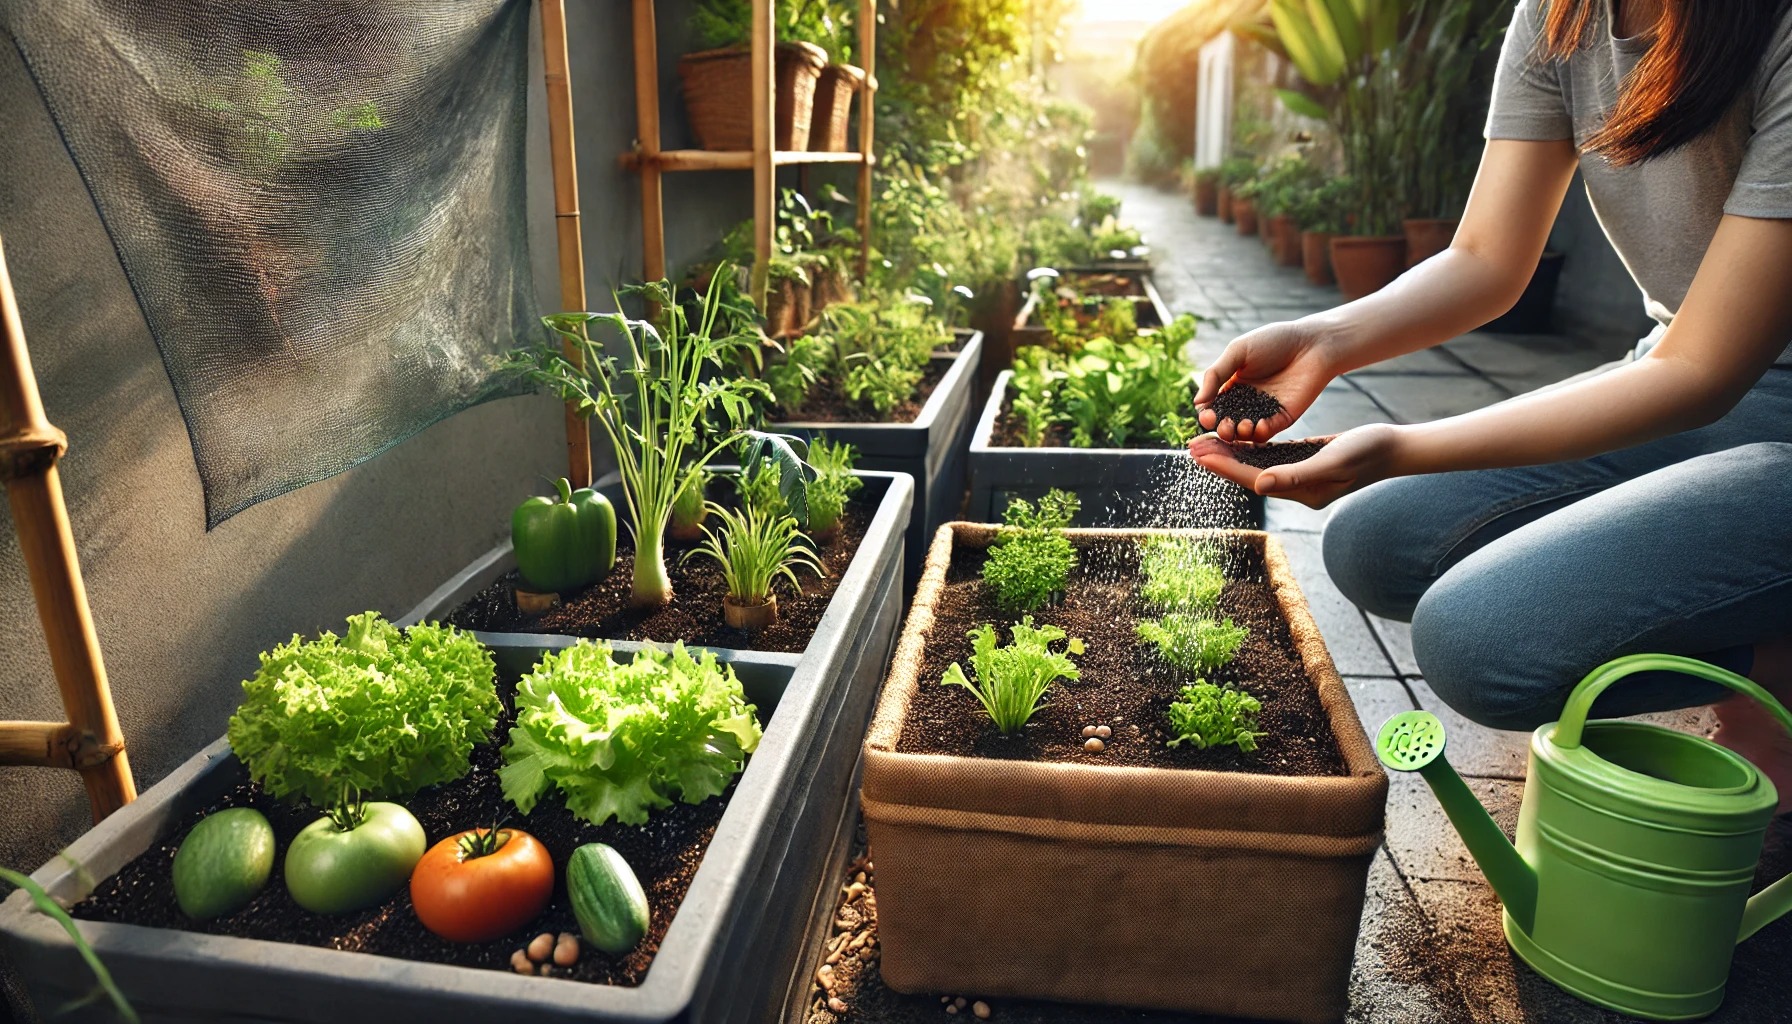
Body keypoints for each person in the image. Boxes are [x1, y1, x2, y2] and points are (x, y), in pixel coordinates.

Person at [1187, 0, 1792, 804]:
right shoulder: (1563, 14)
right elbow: (1484, 257)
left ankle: (1775, 671)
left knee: (1479, 645)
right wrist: (1324, 340)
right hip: (1683, 366)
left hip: (1730, 387)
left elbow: (1702, 372)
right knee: (1375, 540)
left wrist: (1400, 447)